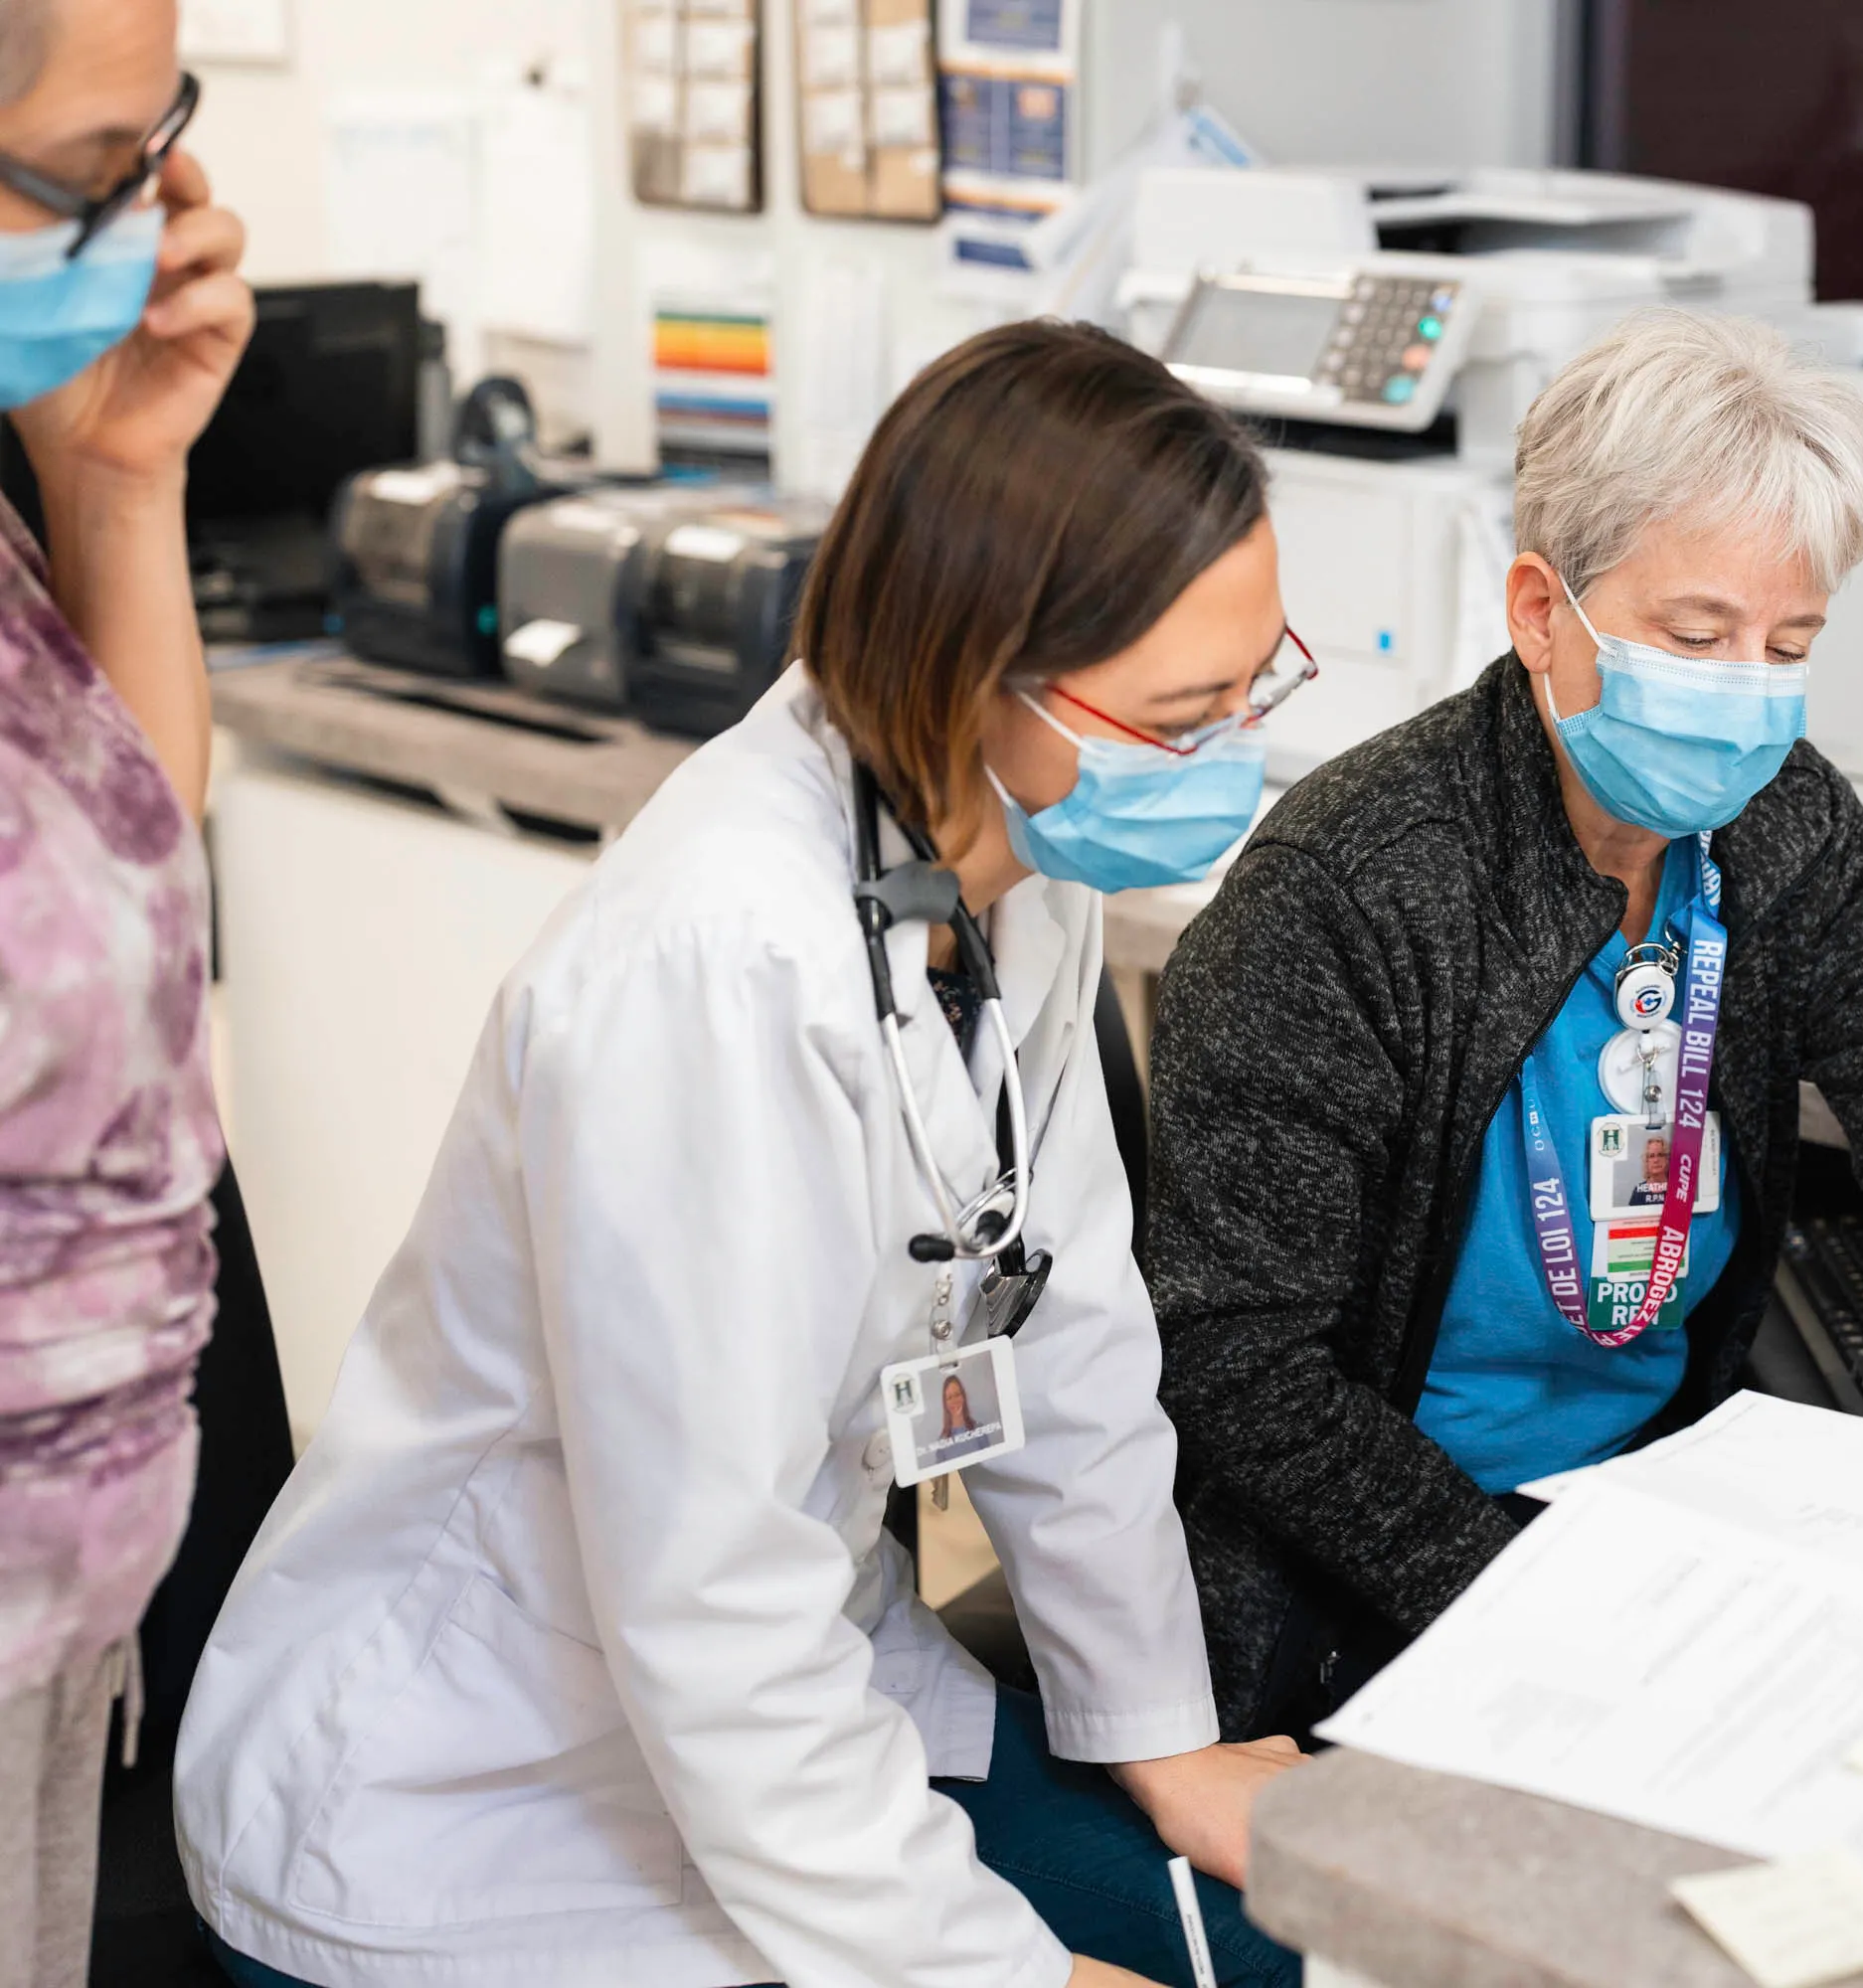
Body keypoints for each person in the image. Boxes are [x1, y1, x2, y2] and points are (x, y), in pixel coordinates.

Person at [177, 322, 1307, 1988]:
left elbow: (1064, 1334)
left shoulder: (1011, 845)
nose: (1226, 760)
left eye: (1250, 690)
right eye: (1183, 715)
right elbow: (709, 1609)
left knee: (1275, 1944)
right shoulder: (711, 969)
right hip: (468, 1799)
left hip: (779, 1696)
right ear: (979, 676)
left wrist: (1159, 1736)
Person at [1144, 310, 1863, 1736]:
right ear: (1538, 614)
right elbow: (1237, 1366)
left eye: (1789, 642)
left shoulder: (1781, 818)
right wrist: (1533, 1601)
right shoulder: (1351, 893)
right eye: (1696, 636)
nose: (1746, 693)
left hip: (1663, 1502)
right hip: (1387, 1574)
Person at [0, 0, 249, 1979]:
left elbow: (118, 880)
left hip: (60, 1629)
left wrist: (113, 479)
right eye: (93, 175)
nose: (159, 210)